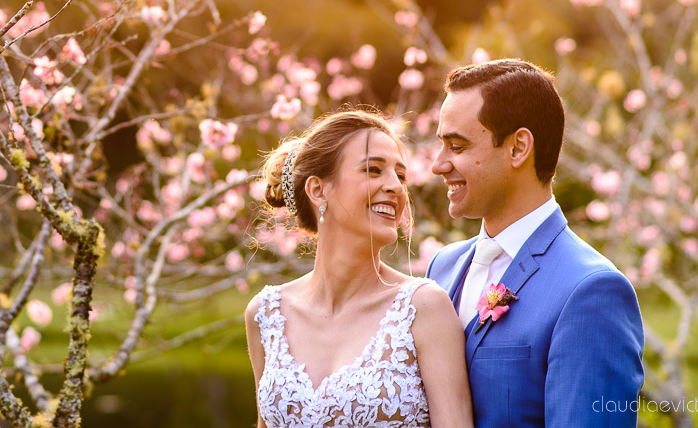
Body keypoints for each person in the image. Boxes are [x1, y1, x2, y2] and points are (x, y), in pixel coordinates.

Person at [426, 59, 645, 427]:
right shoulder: (441, 268)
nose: (437, 164)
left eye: (457, 146)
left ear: (518, 148)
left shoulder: (592, 292)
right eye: (441, 145)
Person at [245, 108, 474, 428]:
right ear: (318, 190)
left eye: (401, 176)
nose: (396, 187)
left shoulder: (424, 308)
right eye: (373, 170)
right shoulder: (266, 314)